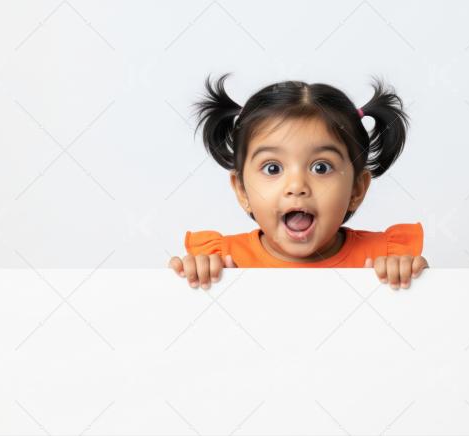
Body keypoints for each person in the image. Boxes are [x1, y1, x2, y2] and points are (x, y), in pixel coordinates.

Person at [168, 74, 428, 290]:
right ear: (242, 190)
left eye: (321, 167)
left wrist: (413, 278)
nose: (297, 186)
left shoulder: (386, 258)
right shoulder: (220, 262)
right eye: (272, 168)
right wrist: (191, 278)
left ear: (356, 189)